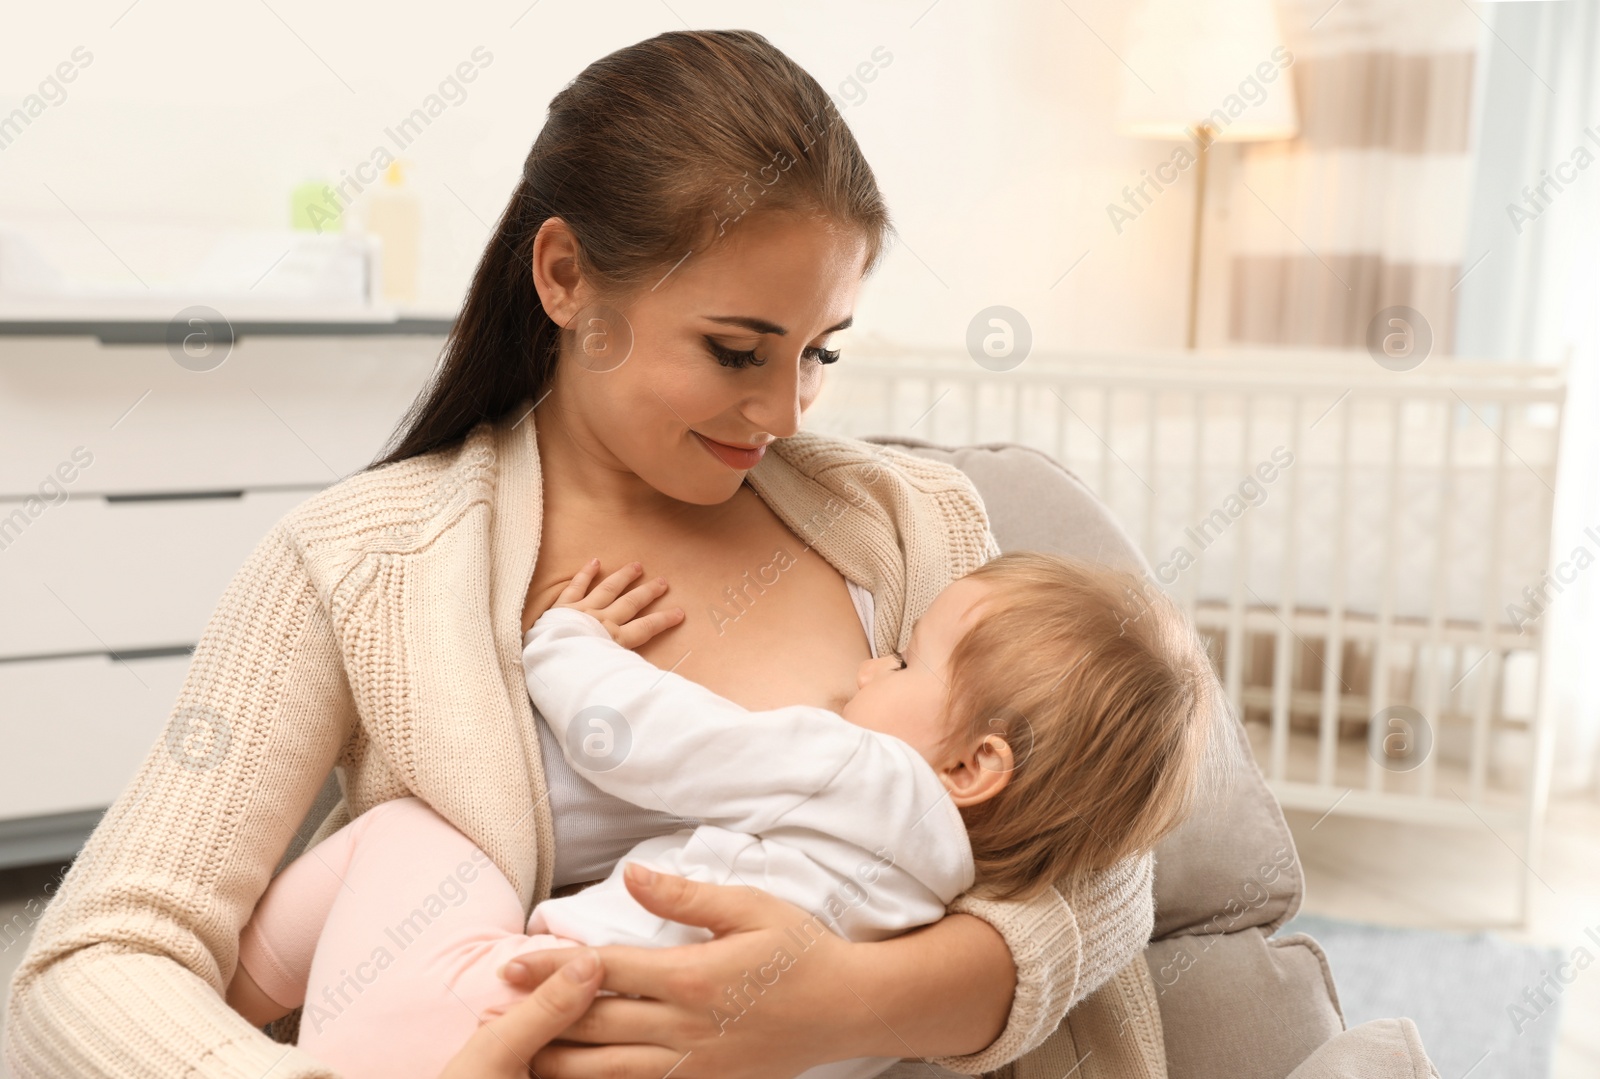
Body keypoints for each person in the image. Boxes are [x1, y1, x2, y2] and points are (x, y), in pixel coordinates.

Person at [4, 29, 1160, 1078]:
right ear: (563, 278)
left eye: (820, 352)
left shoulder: (908, 521)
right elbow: (91, 958)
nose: (786, 415)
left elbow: (1107, 857)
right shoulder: (364, 561)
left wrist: (848, 1003)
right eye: (735, 349)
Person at [224, 552, 1225, 1079]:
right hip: (570, 1051)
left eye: (908, 659)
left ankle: (224, 996)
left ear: (971, 764)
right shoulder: (932, 902)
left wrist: (567, 641)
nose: (873, 663)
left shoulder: (858, 768)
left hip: (491, 1009)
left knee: (422, 835)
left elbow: (640, 735)